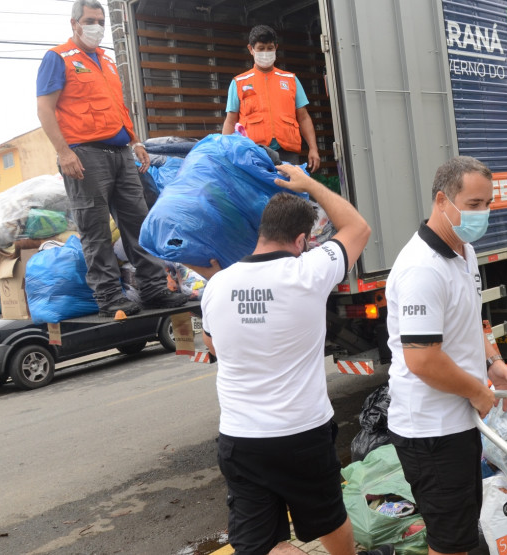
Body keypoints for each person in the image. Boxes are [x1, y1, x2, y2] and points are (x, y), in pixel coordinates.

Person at [200, 165, 386, 555]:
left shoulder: (216, 285)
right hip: (301, 433)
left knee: (262, 544)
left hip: (241, 438)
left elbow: (213, 346)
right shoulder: (309, 272)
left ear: (262, 232)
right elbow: (357, 228)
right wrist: (311, 186)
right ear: (301, 240)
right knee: (328, 517)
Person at [385, 156, 507, 555]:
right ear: (443, 200)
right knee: (449, 544)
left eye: (488, 204)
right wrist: (477, 393)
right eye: (475, 204)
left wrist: (493, 364)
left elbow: (470, 318)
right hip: (430, 430)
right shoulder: (422, 269)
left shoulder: (464, 250)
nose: (484, 213)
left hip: (454, 421)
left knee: (459, 533)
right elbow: (422, 360)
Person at [36, 0, 187, 317]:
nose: (97, 26)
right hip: (84, 155)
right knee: (95, 230)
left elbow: (119, 108)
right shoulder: (58, 58)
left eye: (101, 20)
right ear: (74, 23)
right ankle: (109, 296)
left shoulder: (106, 60)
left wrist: (135, 142)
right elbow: (45, 109)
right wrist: (64, 152)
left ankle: (155, 289)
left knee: (139, 222)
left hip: (121, 153)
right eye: (91, 20)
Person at [222, 25, 320, 172]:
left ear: (276, 48)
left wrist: (313, 149)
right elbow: (230, 121)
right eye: (261, 48)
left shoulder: (290, 80)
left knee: (289, 194)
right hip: (254, 153)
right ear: (251, 49)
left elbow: (304, 117)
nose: (266, 53)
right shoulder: (238, 82)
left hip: (288, 154)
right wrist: (225, 153)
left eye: (270, 48)